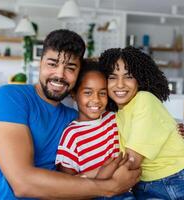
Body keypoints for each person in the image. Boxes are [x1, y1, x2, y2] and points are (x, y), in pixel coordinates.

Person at [0, 30, 141, 200]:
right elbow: (22, 183)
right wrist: (109, 187)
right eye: (52, 64)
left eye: (70, 68)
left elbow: (126, 121)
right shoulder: (9, 97)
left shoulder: (74, 119)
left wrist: (168, 127)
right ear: (40, 63)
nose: (60, 74)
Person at [99, 46, 184, 200]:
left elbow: (131, 161)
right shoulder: (116, 116)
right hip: (146, 188)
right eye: (112, 77)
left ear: (140, 79)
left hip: (183, 181)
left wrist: (92, 182)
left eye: (129, 76)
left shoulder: (145, 99)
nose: (120, 84)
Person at [55, 60, 136, 200]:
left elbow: (143, 128)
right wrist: (99, 174)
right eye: (88, 92)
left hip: (127, 191)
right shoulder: (72, 135)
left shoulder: (113, 118)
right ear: (74, 94)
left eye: (102, 93)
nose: (96, 99)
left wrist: (172, 129)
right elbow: (67, 185)